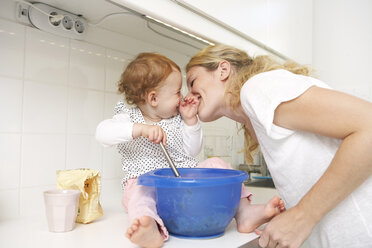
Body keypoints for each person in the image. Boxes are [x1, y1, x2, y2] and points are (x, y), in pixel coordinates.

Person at [185, 44, 372, 248]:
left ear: (223, 70)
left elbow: (369, 126)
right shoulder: (254, 119)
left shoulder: (257, 88)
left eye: (193, 81)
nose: (188, 95)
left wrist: (303, 215)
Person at [95, 52, 285, 248]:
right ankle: (150, 227)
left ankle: (245, 212)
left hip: (184, 184)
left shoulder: (177, 119)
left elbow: (193, 151)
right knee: (139, 194)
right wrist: (139, 129)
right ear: (153, 98)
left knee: (217, 164)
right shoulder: (127, 117)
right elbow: (102, 133)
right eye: (177, 92)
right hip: (150, 184)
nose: (183, 97)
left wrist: (190, 121)